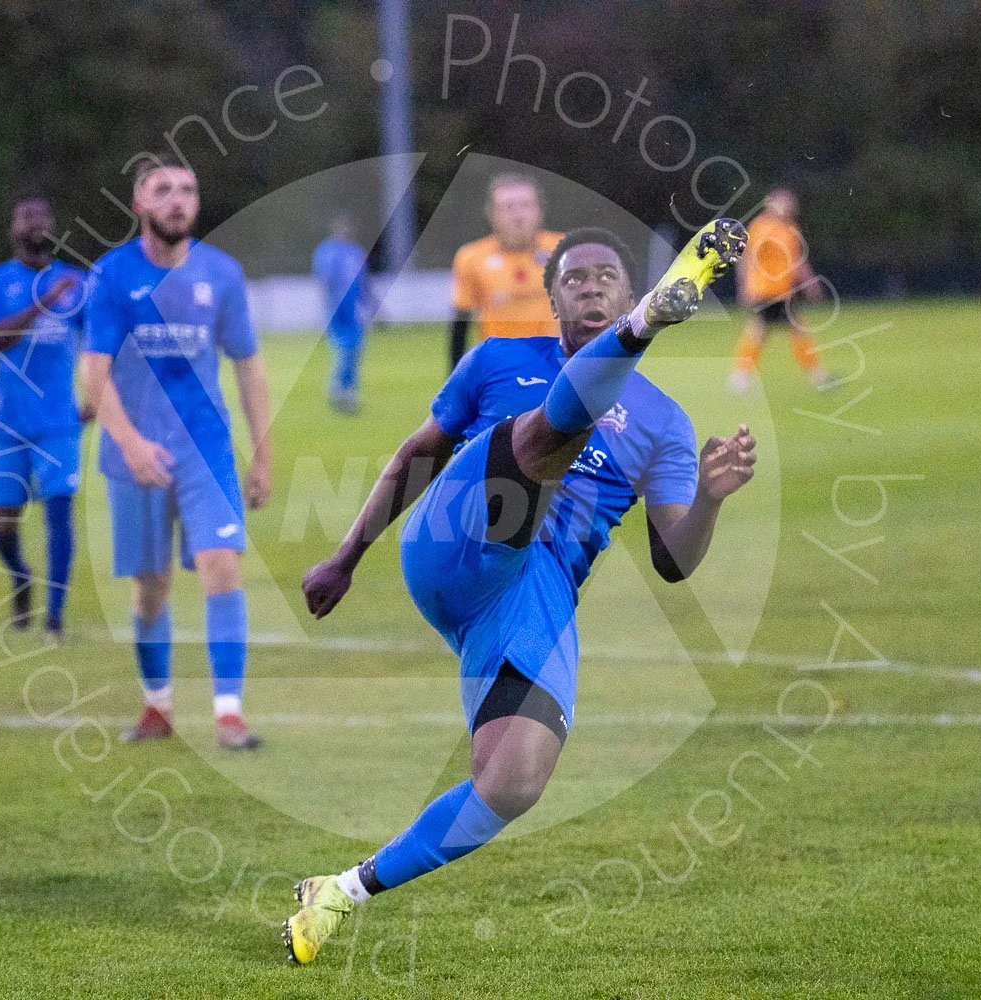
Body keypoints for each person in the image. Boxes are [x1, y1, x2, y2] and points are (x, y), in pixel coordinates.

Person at [285, 220, 755, 964]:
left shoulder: (665, 421)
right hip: (458, 536)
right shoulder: (497, 359)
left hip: (533, 595)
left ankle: (342, 891)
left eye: (607, 278)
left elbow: (674, 562)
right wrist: (346, 556)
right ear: (552, 298)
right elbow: (415, 456)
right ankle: (646, 330)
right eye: (575, 279)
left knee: (513, 781)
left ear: (626, 291)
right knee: (540, 444)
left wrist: (710, 500)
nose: (591, 287)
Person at [79, 158, 273, 750]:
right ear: (140, 203)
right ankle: (157, 705)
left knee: (222, 567)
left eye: (187, 189)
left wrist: (262, 454)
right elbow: (94, 375)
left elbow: (248, 366)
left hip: (204, 448)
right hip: (134, 453)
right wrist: (131, 444)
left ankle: (229, 715)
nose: (177, 199)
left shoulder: (222, 274)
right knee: (151, 588)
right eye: (162, 189)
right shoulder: (112, 276)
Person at [0, 193, 86, 639]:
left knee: (59, 515)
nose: (35, 224)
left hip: (59, 420)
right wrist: (44, 302)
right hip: (7, 423)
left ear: (54, 227)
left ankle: (54, 617)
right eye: (26, 217)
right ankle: (20, 575)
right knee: (3, 524)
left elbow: (101, 343)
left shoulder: (76, 283)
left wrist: (98, 395)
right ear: (13, 228)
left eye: (42, 217)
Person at [447, 173, 564, 372]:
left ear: (540, 210)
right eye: (508, 207)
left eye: (526, 205)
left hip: (558, 368)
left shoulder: (566, 250)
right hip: (500, 370)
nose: (518, 216)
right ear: (491, 214)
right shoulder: (471, 257)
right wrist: (457, 380)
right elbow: (460, 326)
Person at [730, 188, 831, 392]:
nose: (787, 207)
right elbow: (748, 258)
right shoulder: (761, 226)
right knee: (760, 331)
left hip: (784, 291)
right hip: (763, 290)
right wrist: (745, 286)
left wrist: (810, 283)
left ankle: (816, 374)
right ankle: (741, 376)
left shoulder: (790, 229)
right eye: (782, 203)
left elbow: (797, 260)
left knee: (787, 330)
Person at [311, 215, 371, 413]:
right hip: (337, 308)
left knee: (356, 349)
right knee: (344, 348)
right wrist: (330, 304)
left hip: (354, 308)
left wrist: (367, 302)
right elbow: (324, 279)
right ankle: (339, 390)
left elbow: (363, 280)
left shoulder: (355, 251)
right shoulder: (327, 251)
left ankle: (348, 390)